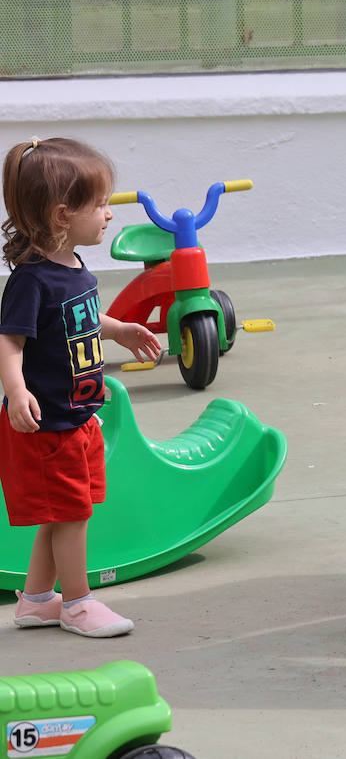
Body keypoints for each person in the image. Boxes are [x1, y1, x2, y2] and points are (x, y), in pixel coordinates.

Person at [0, 136, 161, 638]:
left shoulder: (73, 269)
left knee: (61, 511)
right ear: (62, 214)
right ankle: (77, 604)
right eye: (101, 205)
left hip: (77, 416)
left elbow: (81, 320)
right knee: (71, 516)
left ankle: (36, 600)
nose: (109, 215)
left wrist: (119, 330)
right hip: (48, 423)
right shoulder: (31, 280)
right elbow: (9, 342)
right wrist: (16, 389)